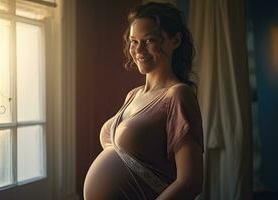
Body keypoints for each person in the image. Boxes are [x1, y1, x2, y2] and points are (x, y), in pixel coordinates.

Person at [83, 2, 204, 200]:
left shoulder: (178, 95)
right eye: (133, 41)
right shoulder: (133, 95)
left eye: (149, 41)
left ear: (175, 40)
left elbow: (190, 181)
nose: (138, 49)